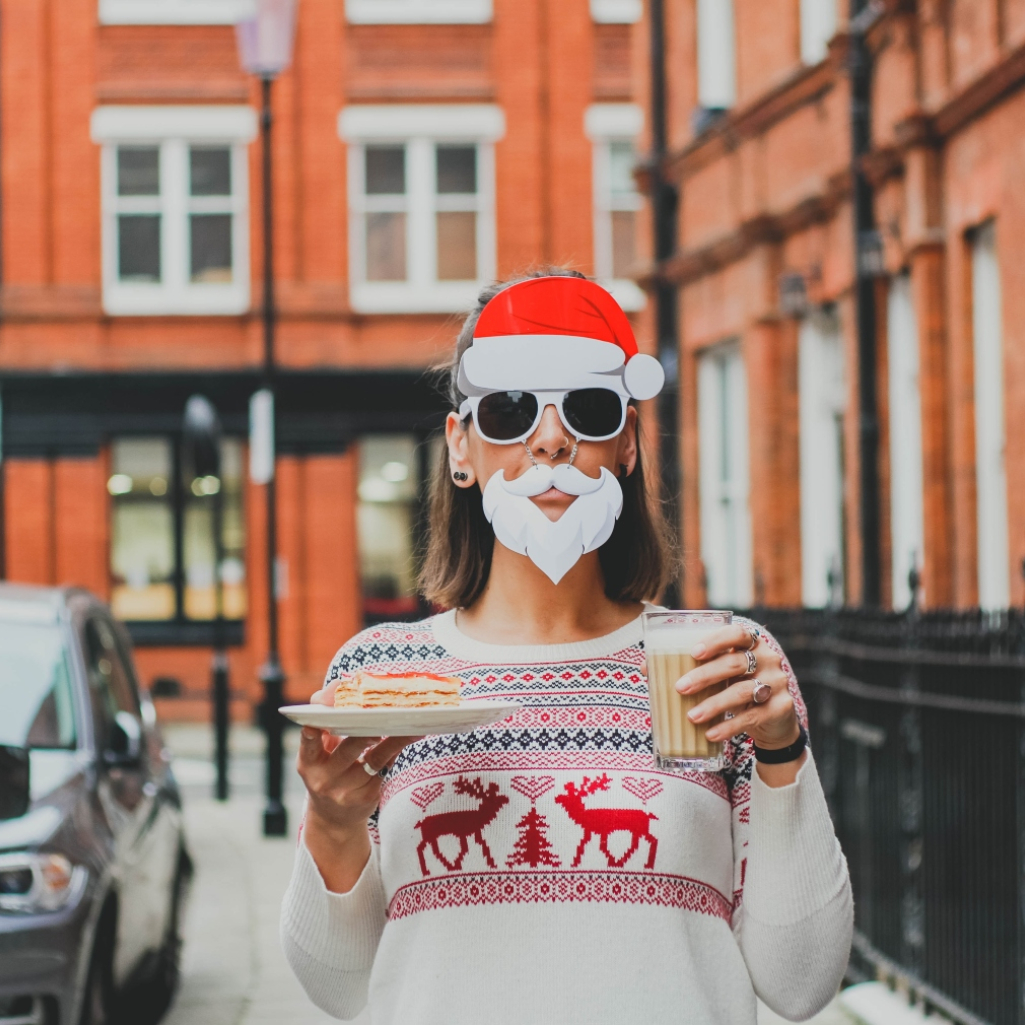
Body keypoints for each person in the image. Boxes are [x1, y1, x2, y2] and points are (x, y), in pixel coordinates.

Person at [282, 270, 853, 1024]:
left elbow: (801, 980)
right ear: (461, 447)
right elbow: (340, 986)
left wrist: (782, 752)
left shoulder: (716, 665)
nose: (550, 439)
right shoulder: (385, 675)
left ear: (625, 445)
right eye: (511, 412)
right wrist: (329, 819)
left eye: (586, 409)